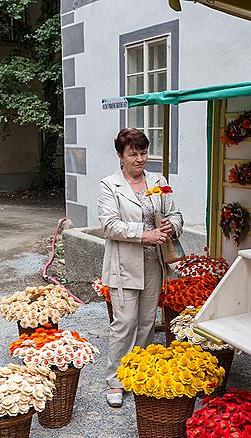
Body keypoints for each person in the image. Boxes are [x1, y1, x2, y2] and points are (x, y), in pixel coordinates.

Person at [98, 128, 183, 407]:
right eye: (133, 154)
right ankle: (115, 380)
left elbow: (175, 213)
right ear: (120, 156)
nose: (139, 159)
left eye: (143, 153)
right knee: (125, 323)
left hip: (153, 264)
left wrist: (173, 225)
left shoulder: (158, 181)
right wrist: (144, 234)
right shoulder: (110, 185)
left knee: (147, 323)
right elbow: (109, 225)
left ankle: (138, 373)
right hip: (124, 264)